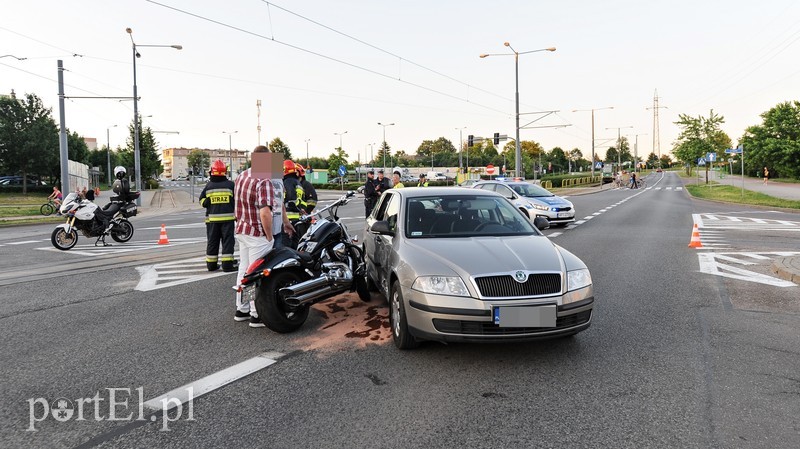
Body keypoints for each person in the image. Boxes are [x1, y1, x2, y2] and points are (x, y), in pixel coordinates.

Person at [233, 146, 276, 328]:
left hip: (242, 230)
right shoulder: (264, 180)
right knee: (257, 275)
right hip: (257, 233)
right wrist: (268, 235)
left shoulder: (241, 176)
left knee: (245, 270)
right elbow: (265, 212)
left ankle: (241, 308)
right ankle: (256, 313)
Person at [199, 160, 237, 272]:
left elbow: (201, 201)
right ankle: (227, 265)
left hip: (212, 221)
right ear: (225, 172)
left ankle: (211, 265)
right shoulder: (231, 185)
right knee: (228, 242)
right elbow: (237, 201)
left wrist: (208, 202)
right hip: (228, 220)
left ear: (212, 172)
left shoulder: (209, 186)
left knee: (212, 242)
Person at [282, 159, 305, 248]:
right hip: (297, 217)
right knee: (295, 244)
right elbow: (302, 200)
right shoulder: (297, 182)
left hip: (288, 218)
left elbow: (290, 199)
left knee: (286, 245)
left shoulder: (287, 182)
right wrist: (300, 209)